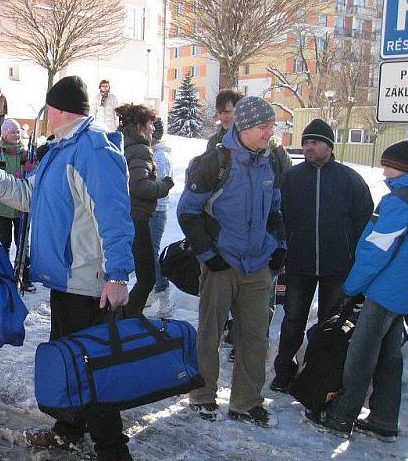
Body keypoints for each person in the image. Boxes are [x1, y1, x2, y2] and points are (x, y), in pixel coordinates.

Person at [0, 75, 135, 461]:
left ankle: (114, 453)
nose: (43, 116)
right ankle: (69, 429)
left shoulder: (94, 151)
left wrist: (117, 275)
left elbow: (114, 215)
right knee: (68, 360)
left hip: (89, 282)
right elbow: (29, 196)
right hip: (66, 279)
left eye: (46, 109)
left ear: (58, 110)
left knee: (92, 367)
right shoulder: (61, 151)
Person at [177, 96, 286, 428]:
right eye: (264, 126)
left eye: (272, 126)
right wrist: (208, 256)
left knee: (254, 335)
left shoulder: (271, 162)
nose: (270, 132)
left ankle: (246, 401)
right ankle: (202, 395)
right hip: (221, 264)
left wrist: (279, 246)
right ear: (246, 127)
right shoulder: (215, 162)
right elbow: (188, 212)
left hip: (257, 265)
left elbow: (275, 211)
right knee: (210, 333)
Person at [306, 140, 408, 441]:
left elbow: (376, 249)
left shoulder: (403, 197)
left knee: (361, 353)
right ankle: (384, 419)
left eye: (388, 165)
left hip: (385, 289)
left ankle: (341, 416)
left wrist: (353, 286)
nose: (384, 171)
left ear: (402, 168)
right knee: (390, 355)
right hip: (406, 291)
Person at [270, 119, 373, 392]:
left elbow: (364, 221)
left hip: (337, 266)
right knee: (292, 321)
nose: (308, 147)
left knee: (328, 325)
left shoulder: (349, 179)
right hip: (299, 263)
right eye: (305, 142)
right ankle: (284, 372)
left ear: (329, 146)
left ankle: (315, 375)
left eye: (314, 142)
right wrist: (284, 244)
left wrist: (354, 256)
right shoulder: (291, 178)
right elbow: (277, 214)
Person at [207, 89, 291, 357]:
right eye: (220, 113)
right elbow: (195, 207)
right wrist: (207, 251)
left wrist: (279, 244)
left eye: (228, 112)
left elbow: (280, 201)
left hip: (261, 252)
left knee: (257, 319)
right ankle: (204, 388)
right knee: (213, 322)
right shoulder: (216, 151)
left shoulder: (273, 153)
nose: (223, 118)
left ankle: (248, 391)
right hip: (224, 252)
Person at [117, 103, 174, 317]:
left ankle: (124, 317)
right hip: (136, 217)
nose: (153, 129)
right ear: (140, 125)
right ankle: (128, 319)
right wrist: (164, 185)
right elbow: (138, 185)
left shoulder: (125, 143)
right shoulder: (140, 148)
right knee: (147, 276)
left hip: (127, 216)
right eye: (150, 124)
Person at [0, 117, 35, 292]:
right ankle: (4, 274)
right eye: (12, 132)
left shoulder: (26, 154)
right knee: (4, 241)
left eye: (18, 132)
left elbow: (34, 176)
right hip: (2, 208)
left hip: (21, 207)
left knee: (23, 242)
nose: (16, 135)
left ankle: (24, 276)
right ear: (4, 134)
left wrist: (30, 170)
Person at [149, 119, 173, 314]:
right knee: (148, 250)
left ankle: (162, 287)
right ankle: (155, 286)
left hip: (157, 210)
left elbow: (162, 184)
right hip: (153, 208)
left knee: (151, 251)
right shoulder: (154, 153)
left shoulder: (160, 156)